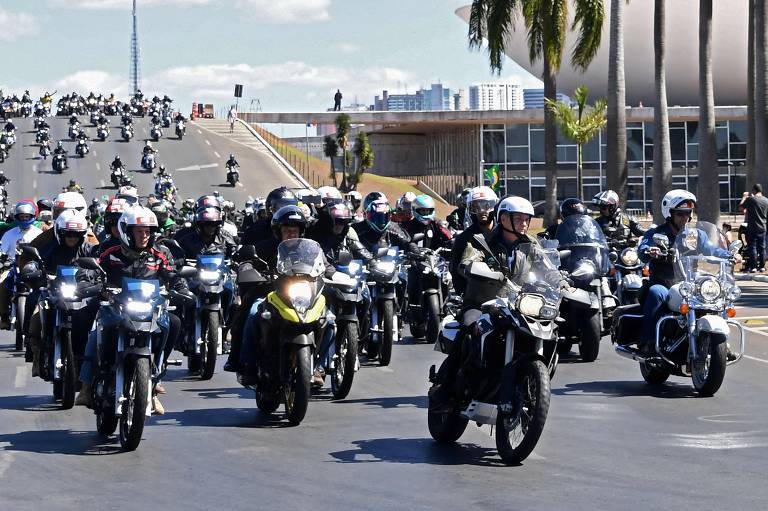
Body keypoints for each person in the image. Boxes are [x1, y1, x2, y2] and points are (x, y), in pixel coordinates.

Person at [430, 196, 562, 408]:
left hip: (517, 304)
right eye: (518, 218)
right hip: (482, 303)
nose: (524, 223)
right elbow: (468, 261)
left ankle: (529, 381)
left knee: (552, 329)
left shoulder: (531, 244)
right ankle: (445, 387)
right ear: (503, 218)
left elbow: (548, 268)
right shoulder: (483, 242)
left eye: (526, 219)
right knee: (470, 329)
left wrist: (562, 281)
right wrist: (475, 267)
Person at [75, 207, 191, 414]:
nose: (144, 235)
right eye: (138, 231)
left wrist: (181, 288)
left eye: (147, 231)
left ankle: (155, 380)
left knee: (174, 322)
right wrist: (87, 282)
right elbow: (91, 270)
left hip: (150, 308)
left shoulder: (161, 253)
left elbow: (173, 275)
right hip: (116, 307)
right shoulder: (109, 252)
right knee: (96, 332)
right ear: (126, 231)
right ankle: (85, 385)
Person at [637, 190, 737, 354]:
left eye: (687, 213)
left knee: (717, 295)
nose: (685, 218)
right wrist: (650, 250)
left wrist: (730, 255)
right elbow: (642, 249)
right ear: (670, 214)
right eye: (680, 214)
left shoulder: (696, 235)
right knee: (655, 292)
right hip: (665, 284)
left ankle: (722, 345)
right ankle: (648, 341)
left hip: (690, 284)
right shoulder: (656, 233)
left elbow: (712, 250)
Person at [26, 210, 98, 378]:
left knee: (98, 321)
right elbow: (36, 263)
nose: (72, 238)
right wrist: (34, 271)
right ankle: (35, 353)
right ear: (60, 233)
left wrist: (95, 277)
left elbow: (98, 266)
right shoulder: (49, 249)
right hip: (54, 293)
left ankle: (92, 362)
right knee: (34, 309)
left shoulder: (89, 250)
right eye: (68, 234)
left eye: (76, 234)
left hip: (81, 295)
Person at [0, 201, 43, 329]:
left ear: (32, 217)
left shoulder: (39, 233)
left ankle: (40, 316)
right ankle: (4, 316)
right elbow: (2, 250)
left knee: (43, 289)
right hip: (12, 266)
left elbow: (44, 251)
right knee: (1, 284)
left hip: (33, 267)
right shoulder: (10, 234)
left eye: (27, 216)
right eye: (22, 216)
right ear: (17, 217)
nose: (24, 219)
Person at [449, 186, 498, 295]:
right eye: (476, 207)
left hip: (505, 295)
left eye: (487, 206)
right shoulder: (463, 239)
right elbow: (455, 270)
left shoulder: (504, 234)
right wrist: (465, 295)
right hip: (475, 296)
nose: (481, 211)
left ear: (494, 206)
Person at [739, 184, 768, 272]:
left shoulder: (751, 199)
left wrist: (744, 197)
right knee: (762, 247)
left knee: (752, 247)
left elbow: (741, 207)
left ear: (754, 190)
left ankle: (753, 266)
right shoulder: (766, 200)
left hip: (752, 227)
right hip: (763, 226)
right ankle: (762, 266)